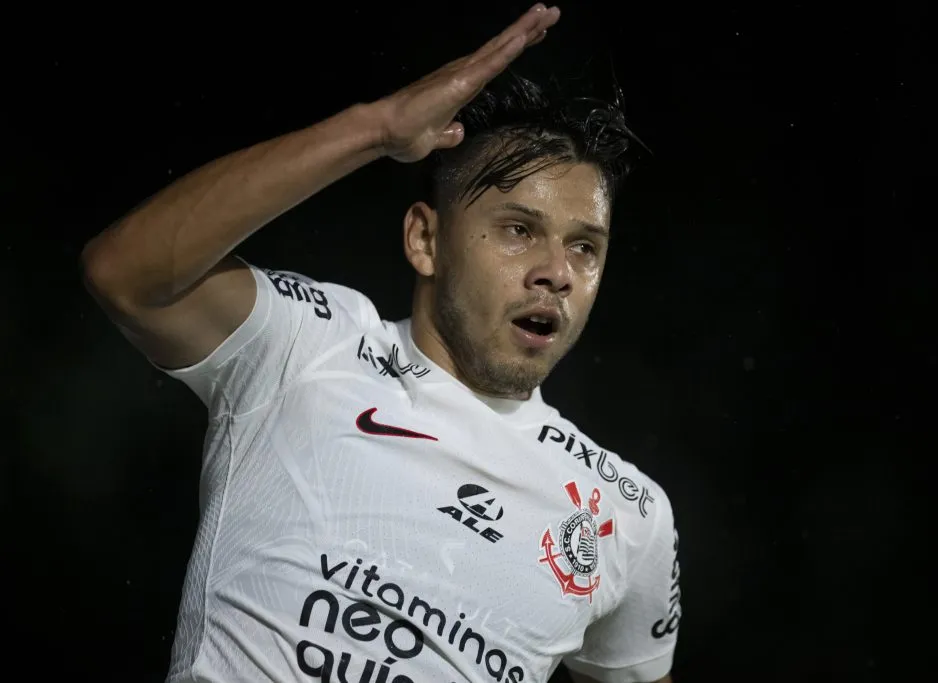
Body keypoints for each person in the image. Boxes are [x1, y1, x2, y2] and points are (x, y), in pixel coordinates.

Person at [81, 5, 680, 682]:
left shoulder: (627, 515)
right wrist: (376, 129)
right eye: (519, 229)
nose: (557, 271)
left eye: (585, 246)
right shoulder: (307, 342)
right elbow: (124, 274)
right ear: (424, 240)